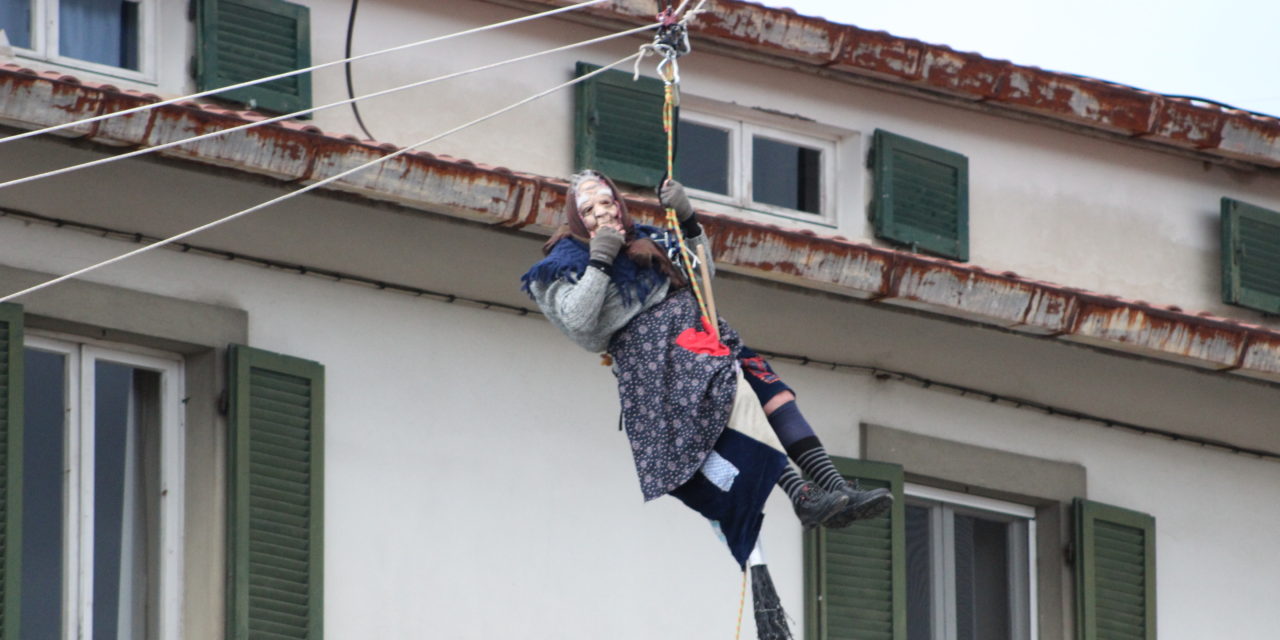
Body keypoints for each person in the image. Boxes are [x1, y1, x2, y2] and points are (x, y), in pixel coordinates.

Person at [521, 171, 891, 541]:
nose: (602, 213)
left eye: (607, 202)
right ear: (575, 219)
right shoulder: (561, 267)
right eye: (588, 210)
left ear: (620, 204)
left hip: (704, 334)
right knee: (739, 402)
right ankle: (803, 495)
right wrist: (601, 257)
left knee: (775, 396)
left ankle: (836, 485)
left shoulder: (651, 241)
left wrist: (687, 220)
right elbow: (581, 324)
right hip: (658, 358)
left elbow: (702, 277)